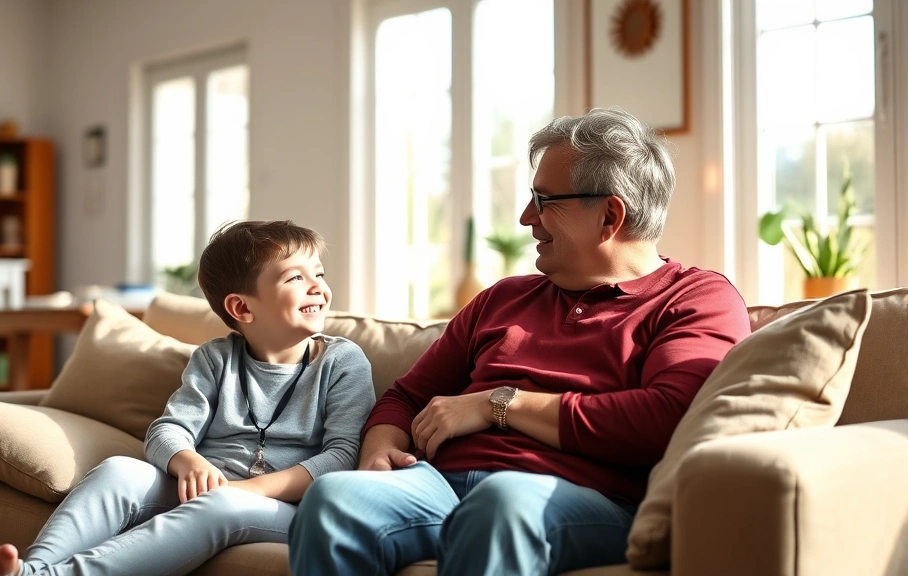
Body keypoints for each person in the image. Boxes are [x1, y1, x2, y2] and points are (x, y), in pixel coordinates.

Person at [288, 108, 751, 576]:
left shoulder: (696, 299)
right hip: (439, 486)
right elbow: (406, 396)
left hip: (579, 499)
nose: (527, 216)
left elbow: (669, 416)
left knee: (501, 501)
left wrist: (498, 404)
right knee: (336, 498)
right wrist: (380, 450)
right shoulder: (502, 298)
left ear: (609, 215)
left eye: (544, 199)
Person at [0, 220, 375, 576]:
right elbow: (167, 431)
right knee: (118, 471)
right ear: (242, 308)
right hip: (208, 490)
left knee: (221, 509)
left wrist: (245, 492)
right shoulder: (215, 360)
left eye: (319, 274)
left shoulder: (342, 362)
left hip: (288, 509)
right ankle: (31, 569)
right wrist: (189, 461)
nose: (319, 288)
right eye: (296, 278)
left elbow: (341, 457)